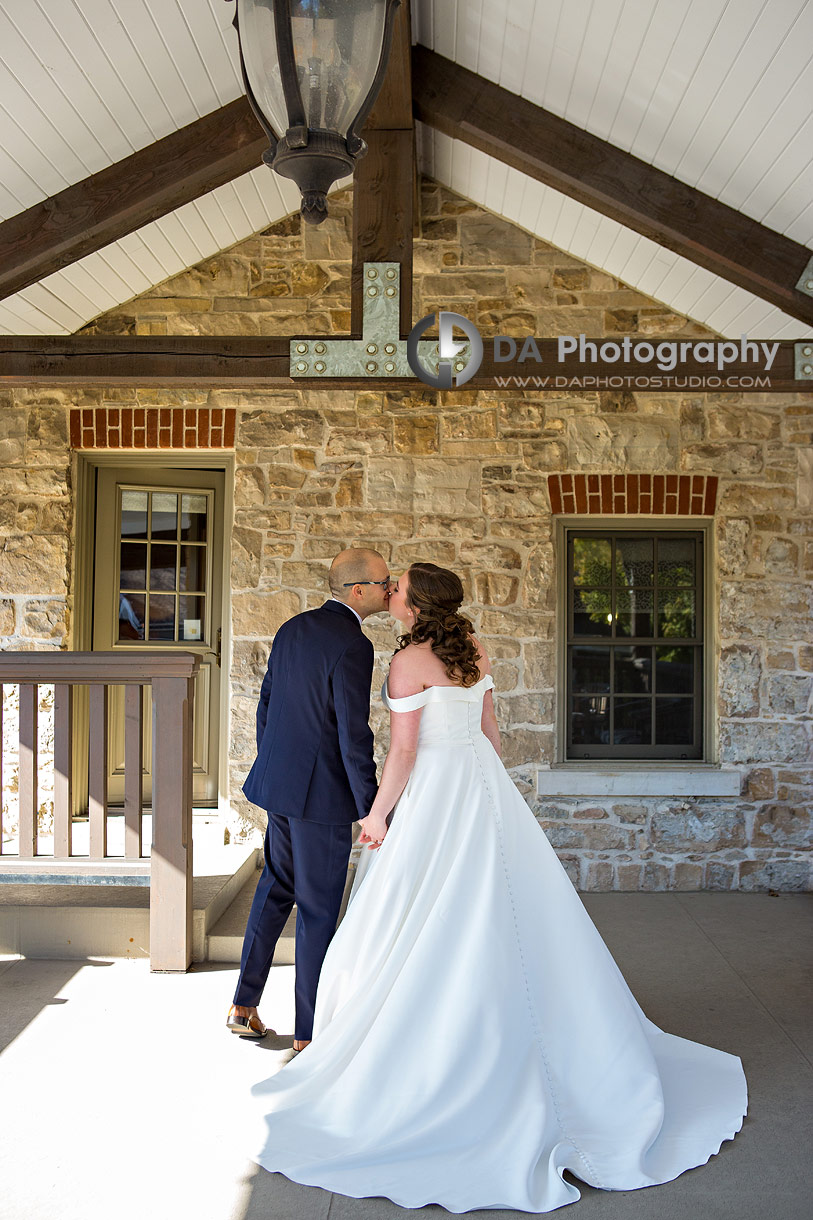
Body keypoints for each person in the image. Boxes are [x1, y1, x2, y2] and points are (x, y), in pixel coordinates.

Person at [242, 563, 748, 1213]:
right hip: (481, 787)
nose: (388, 590)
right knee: (505, 905)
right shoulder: (472, 649)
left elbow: (400, 753)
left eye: (397, 588)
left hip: (434, 792)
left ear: (413, 605)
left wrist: (375, 815)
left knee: (427, 911)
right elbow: (490, 735)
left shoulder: (404, 664)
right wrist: (492, 792)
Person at [226, 547, 391, 1050]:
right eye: (385, 582)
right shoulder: (353, 644)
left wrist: (273, 767)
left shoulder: (292, 628)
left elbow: (267, 705)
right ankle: (308, 1034)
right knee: (319, 909)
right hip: (321, 799)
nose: (390, 589)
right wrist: (370, 805)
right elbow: (352, 733)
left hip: (280, 786)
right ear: (357, 590)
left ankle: (243, 1004)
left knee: (277, 887)